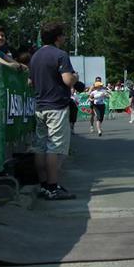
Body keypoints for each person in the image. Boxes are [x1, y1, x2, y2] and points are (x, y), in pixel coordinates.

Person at [28, 22, 78, 200]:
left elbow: (30, 82)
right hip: (56, 106)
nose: (64, 37)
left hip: (40, 106)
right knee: (54, 147)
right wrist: (75, 77)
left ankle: (43, 185)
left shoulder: (35, 56)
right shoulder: (60, 55)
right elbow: (67, 80)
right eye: (63, 34)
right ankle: (53, 187)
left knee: (40, 146)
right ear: (57, 37)